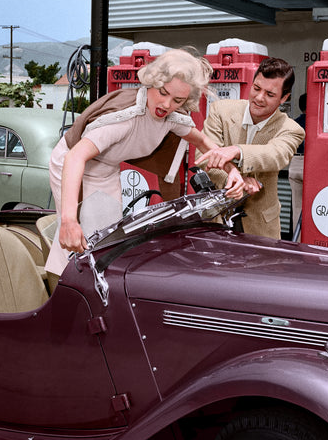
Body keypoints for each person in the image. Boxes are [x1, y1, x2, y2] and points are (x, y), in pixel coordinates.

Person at [45, 48, 244, 276]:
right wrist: (69, 219)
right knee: (75, 233)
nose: (167, 104)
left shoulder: (171, 118)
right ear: (151, 82)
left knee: (107, 235)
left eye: (177, 100)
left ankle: (94, 283)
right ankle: (62, 285)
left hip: (106, 166)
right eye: (162, 92)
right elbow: (75, 157)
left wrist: (232, 170)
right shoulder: (124, 119)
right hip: (70, 163)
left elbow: (202, 140)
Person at [195, 57, 305, 239]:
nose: (259, 98)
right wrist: (235, 179)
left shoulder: (292, 129)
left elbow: (276, 154)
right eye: (256, 88)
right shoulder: (220, 111)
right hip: (215, 221)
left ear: (284, 98)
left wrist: (238, 150)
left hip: (261, 227)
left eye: (270, 94)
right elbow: (204, 155)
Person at [289, 92, 307, 241]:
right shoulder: (318, 123)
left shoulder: (294, 124)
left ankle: (298, 241)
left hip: (294, 163)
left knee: (297, 207)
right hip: (312, 164)